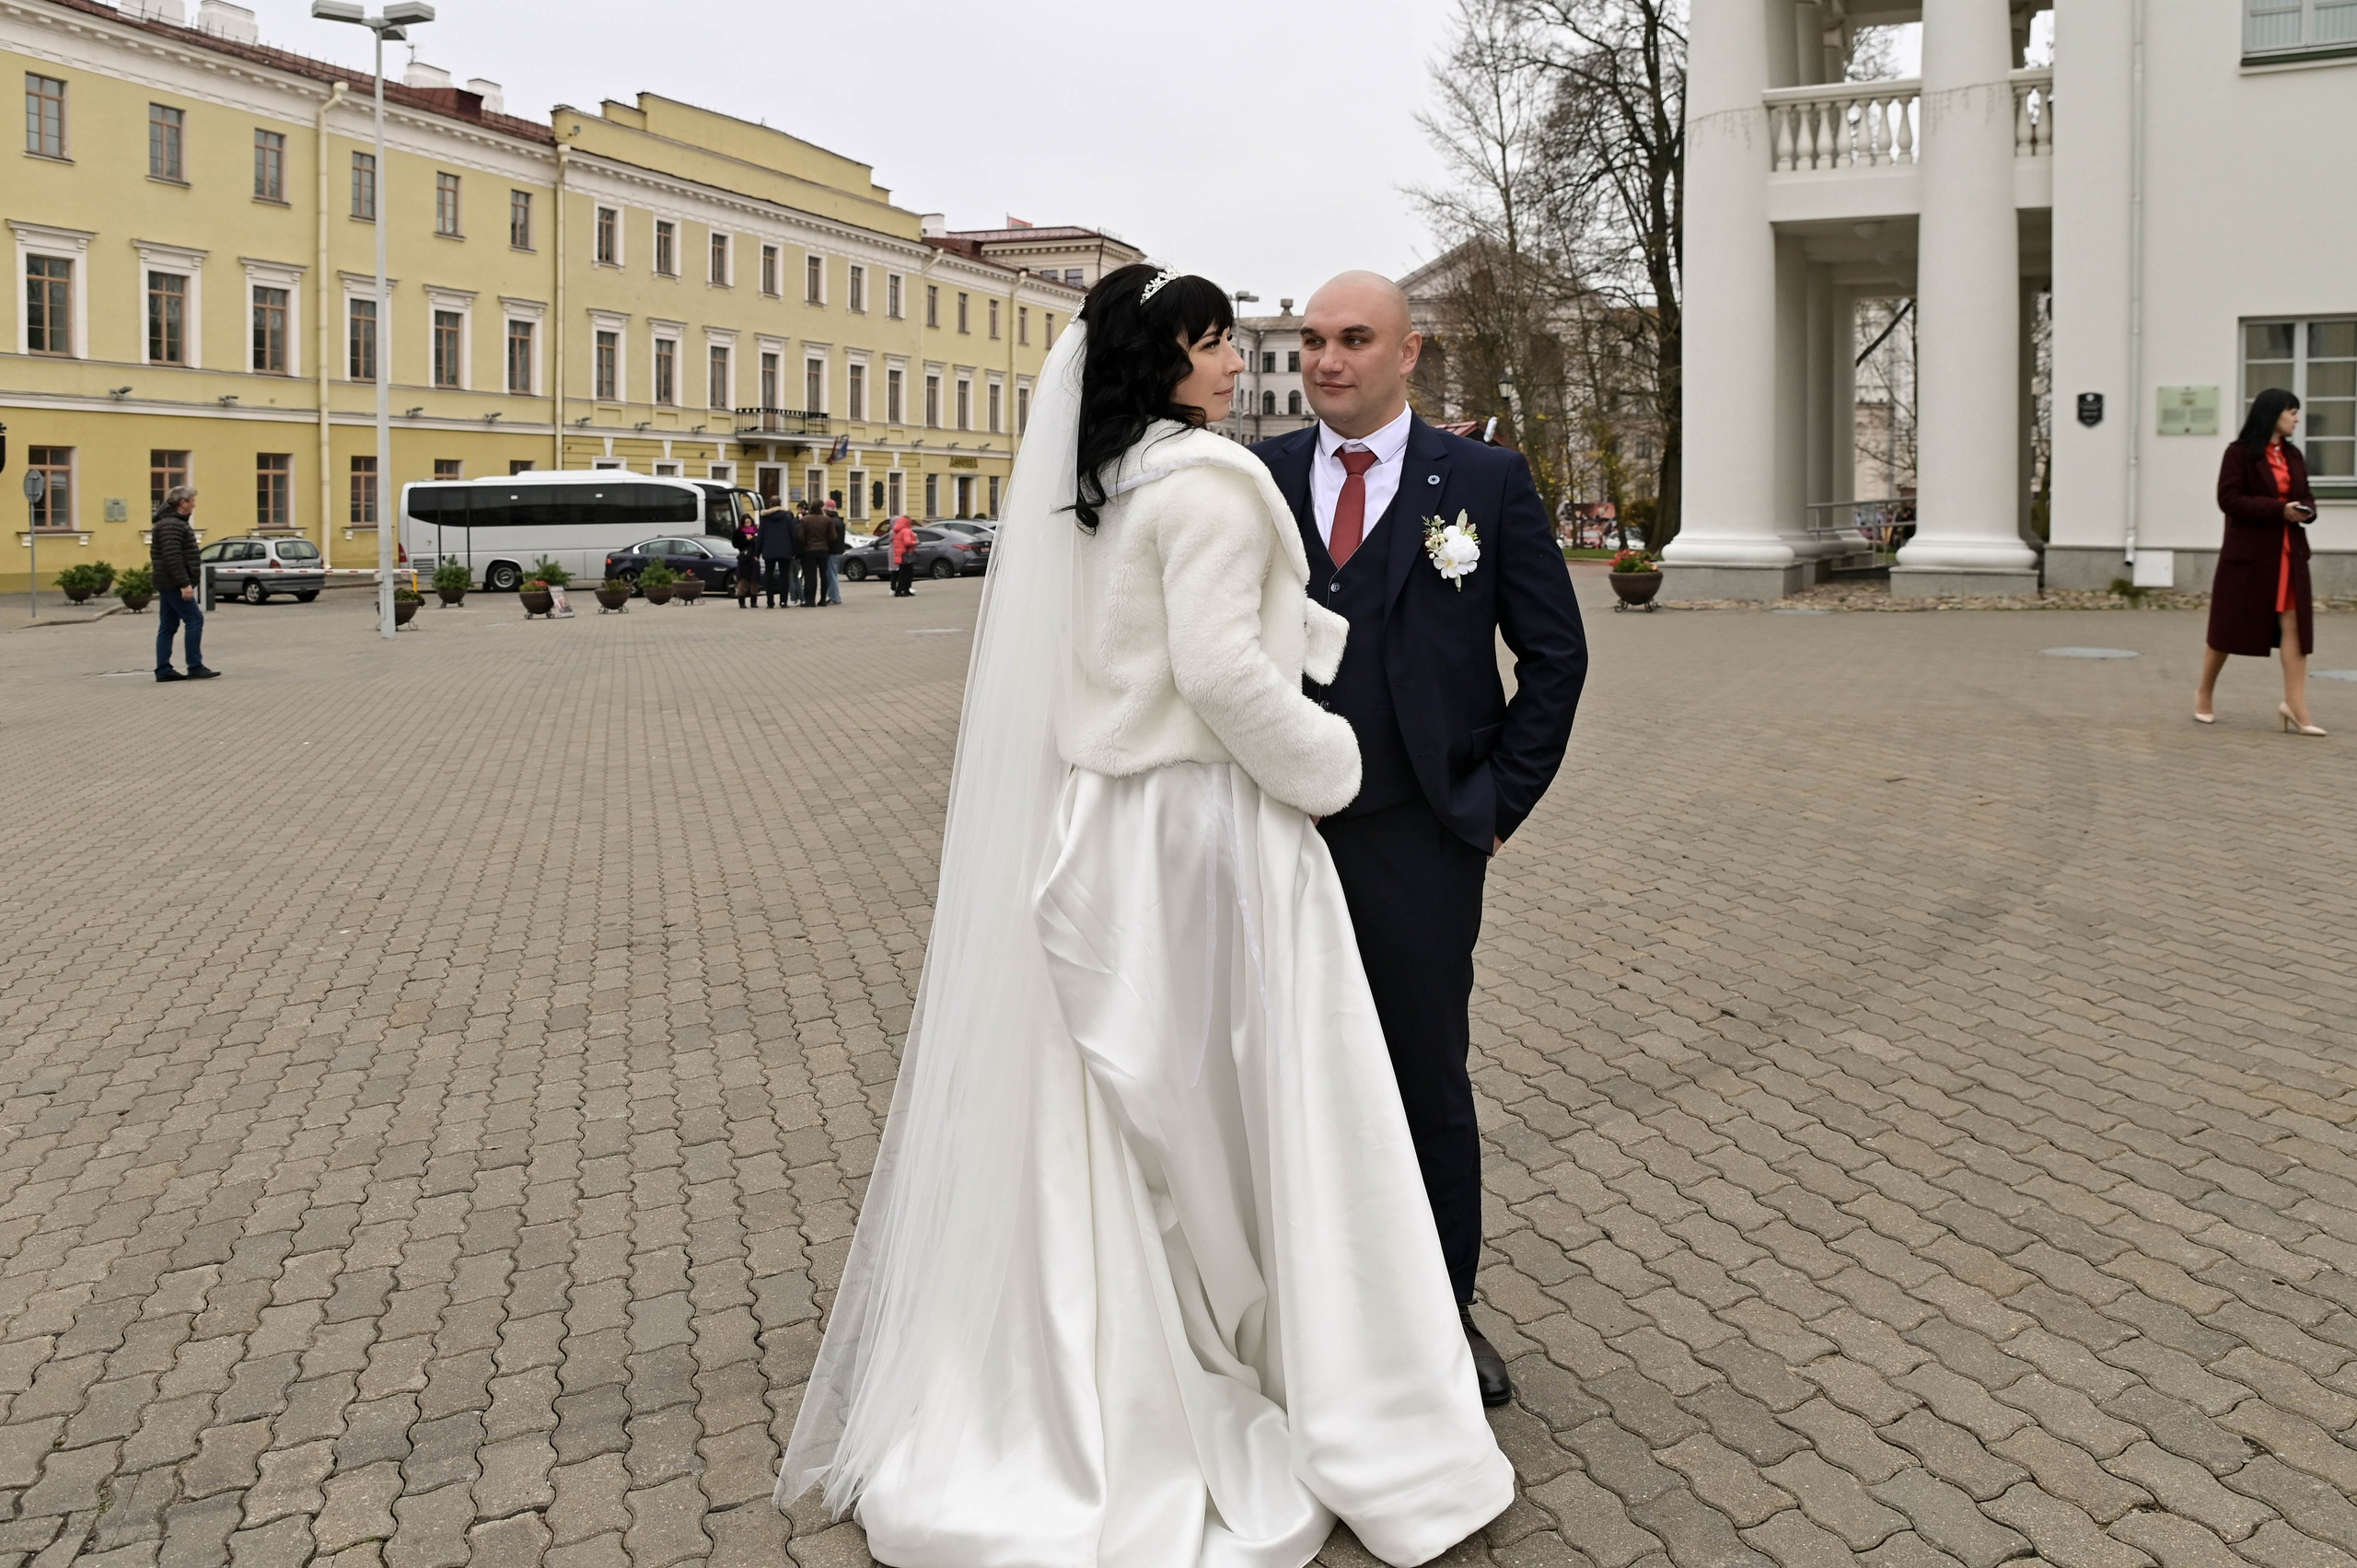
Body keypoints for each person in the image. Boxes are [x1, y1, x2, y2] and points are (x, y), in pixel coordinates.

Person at [776, 263, 1513, 1567]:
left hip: (1100, 820)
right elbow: (1225, 673)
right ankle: (1256, 1348)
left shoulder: (1097, 485)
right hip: (1198, 827)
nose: (1244, 364)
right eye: (1218, 344)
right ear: (1165, 355)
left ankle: (1106, 1346)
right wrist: (1331, 769)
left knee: (1114, 1100)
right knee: (1234, 1090)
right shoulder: (1217, 483)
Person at [1252, 272, 1587, 1407]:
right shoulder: (1261, 478)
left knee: (1420, 1075)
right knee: (1275, 1064)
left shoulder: (1482, 481)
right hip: (1272, 832)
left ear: (1411, 353)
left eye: (1353, 339)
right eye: (1311, 340)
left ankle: (1444, 1310)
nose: (1327, 359)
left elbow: (1555, 657)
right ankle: (1288, 1305)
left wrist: (1495, 804)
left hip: (1420, 837)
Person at [2198, 387, 2323, 734]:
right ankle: (2204, 693)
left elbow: (2306, 495)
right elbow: (2229, 500)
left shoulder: (2294, 456)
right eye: (2292, 411)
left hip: (2290, 553)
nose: (2297, 418)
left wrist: (2306, 512)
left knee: (2295, 626)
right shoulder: (2239, 454)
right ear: (2272, 414)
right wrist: (2279, 510)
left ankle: (2295, 706)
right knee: (2226, 628)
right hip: (2250, 556)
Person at [150, 486, 218, 682]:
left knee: (168, 626)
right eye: (193, 501)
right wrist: (184, 584)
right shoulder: (172, 525)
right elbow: (173, 558)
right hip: (173, 583)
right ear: (183, 503)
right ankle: (194, 666)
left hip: (167, 582)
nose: (194, 505)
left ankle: (164, 669)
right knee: (195, 620)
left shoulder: (171, 523)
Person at [759, 502, 798, 607]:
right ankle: (783, 601)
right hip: (785, 550)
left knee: (769, 575)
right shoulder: (787, 517)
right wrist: (795, 551)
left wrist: (757, 552)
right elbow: (793, 535)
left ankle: (770, 602)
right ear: (780, 504)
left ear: (771, 505)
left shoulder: (765, 518)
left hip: (769, 550)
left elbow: (760, 536)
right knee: (784, 576)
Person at [795, 503, 833, 609]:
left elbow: (800, 536)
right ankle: (822, 600)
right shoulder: (827, 520)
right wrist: (826, 544)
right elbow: (833, 536)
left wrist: (805, 544)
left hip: (809, 550)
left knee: (810, 576)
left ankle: (810, 600)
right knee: (823, 575)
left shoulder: (805, 520)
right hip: (823, 549)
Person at [821, 499, 848, 604]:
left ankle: (835, 597)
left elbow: (831, 538)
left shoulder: (831, 522)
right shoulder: (839, 521)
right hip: (838, 550)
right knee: (833, 573)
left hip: (832, 551)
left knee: (831, 574)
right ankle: (833, 596)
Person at [888, 511, 918, 597]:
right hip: (907, 554)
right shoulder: (906, 530)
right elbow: (907, 543)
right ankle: (902, 590)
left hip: (900, 554)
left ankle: (901, 590)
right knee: (907, 573)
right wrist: (915, 542)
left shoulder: (897, 530)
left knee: (902, 573)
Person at [735, 536, 761, 609]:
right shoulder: (740, 533)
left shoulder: (756, 533)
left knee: (755, 580)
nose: (748, 524)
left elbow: (759, 544)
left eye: (749, 523)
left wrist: (753, 539)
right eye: (746, 523)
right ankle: (741, 602)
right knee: (743, 580)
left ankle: (753, 602)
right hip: (744, 559)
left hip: (754, 559)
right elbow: (736, 544)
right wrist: (746, 539)